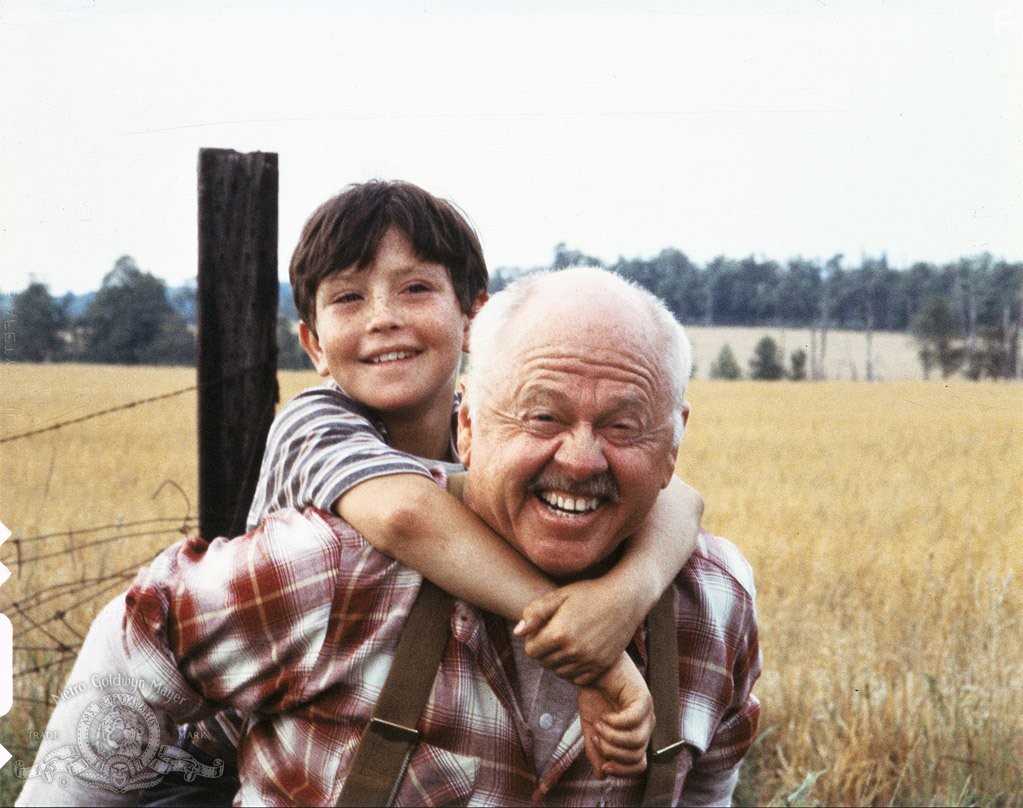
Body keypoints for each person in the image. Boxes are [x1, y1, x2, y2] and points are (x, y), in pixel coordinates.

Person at [16, 184, 703, 805]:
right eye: (349, 297)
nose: (383, 318)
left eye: (414, 290)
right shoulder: (315, 423)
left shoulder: (491, 447)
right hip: (208, 759)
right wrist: (592, 653)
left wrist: (623, 595)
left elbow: (681, 500)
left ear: (475, 318)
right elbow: (408, 515)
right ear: (312, 343)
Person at [114, 267, 761, 805]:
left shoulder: (714, 605)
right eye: (542, 417)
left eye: (623, 426)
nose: (582, 459)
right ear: (468, 425)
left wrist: (633, 590)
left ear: (674, 443)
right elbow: (137, 646)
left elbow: (706, 793)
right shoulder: (336, 564)